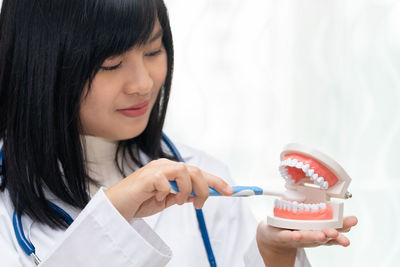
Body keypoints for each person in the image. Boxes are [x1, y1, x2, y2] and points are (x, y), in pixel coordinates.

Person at [0, 0, 357, 266]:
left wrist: (274, 252)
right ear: (41, 65)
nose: (143, 83)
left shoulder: (204, 176)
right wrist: (114, 214)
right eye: (111, 64)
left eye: (154, 50)